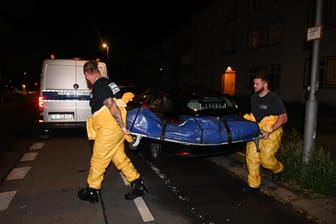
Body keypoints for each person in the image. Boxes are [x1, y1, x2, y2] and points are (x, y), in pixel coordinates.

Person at [78, 60, 147, 203]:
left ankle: (92, 190)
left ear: (86, 74)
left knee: (98, 159)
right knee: (119, 158)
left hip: (109, 128)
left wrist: (122, 127)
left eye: (86, 77)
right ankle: (138, 184)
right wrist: (120, 128)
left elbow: (113, 106)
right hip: (114, 128)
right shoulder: (109, 83)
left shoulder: (100, 86)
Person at [243, 73, 288, 190]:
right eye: (253, 83)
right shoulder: (254, 97)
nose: (254, 86)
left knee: (266, 160)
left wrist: (270, 130)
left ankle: (278, 169)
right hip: (256, 130)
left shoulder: (274, 98)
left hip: (272, 130)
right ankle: (253, 184)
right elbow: (255, 115)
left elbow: (283, 118)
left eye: (257, 84)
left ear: (265, 84)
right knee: (251, 158)